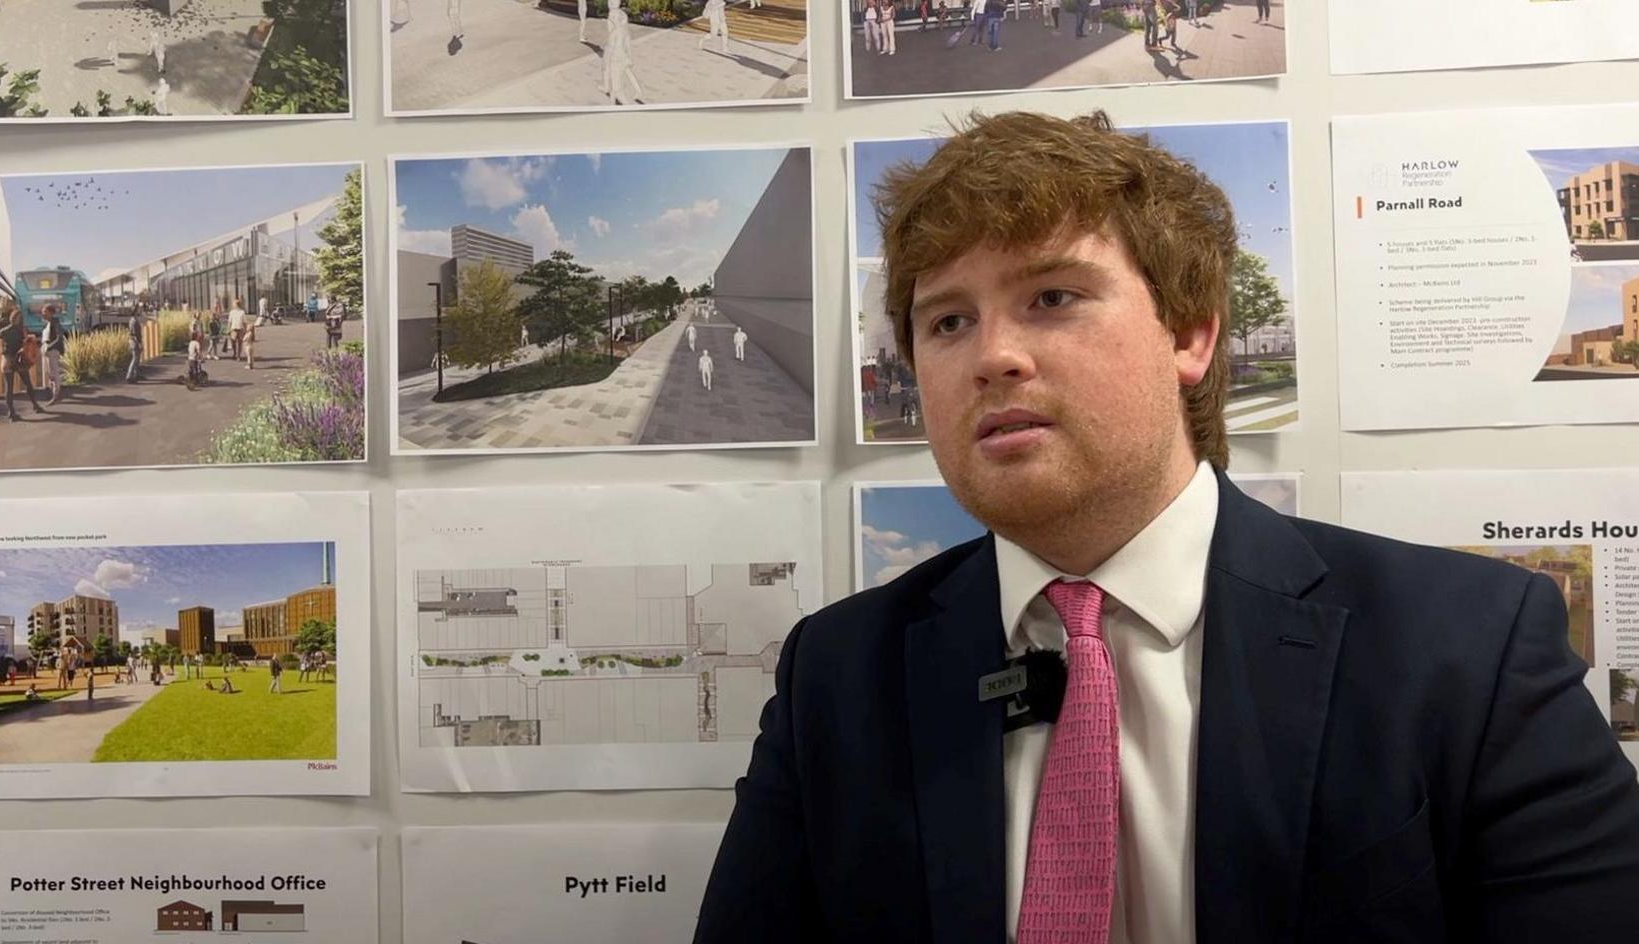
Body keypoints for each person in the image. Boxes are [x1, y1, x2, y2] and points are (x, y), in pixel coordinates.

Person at [693, 111, 1639, 943]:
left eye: (1052, 297)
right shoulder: (838, 672)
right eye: (946, 321)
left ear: (1189, 335)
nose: (993, 356)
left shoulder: (1466, 646)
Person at [0, 306, 48, 423]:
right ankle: (35, 405)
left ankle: (11, 413)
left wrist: (0, 319)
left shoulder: (4, 331)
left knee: (9, 387)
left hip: (7, 360)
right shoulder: (22, 331)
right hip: (20, 360)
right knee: (28, 384)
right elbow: (28, 342)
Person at [601, 0, 643, 105]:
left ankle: (623, 104)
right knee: (627, 72)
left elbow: (611, 43)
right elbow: (627, 44)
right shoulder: (625, 28)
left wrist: (608, 58)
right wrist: (629, 56)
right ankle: (638, 91)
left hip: (615, 56)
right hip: (623, 55)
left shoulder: (613, 16)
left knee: (616, 86)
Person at [39, 306, 66, 404]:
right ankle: (51, 393)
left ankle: (55, 395)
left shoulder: (55, 323)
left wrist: (49, 346)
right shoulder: (47, 324)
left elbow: (59, 337)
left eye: (45, 312)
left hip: (53, 350)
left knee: (54, 373)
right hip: (47, 350)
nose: (43, 314)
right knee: (49, 373)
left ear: (51, 313)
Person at [125, 305, 144, 382]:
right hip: (135, 341)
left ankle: (136, 375)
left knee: (137, 358)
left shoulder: (132, 319)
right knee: (135, 358)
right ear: (136, 311)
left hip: (133, 340)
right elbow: (136, 334)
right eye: (139, 309)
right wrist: (139, 343)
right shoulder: (135, 321)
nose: (140, 310)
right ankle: (129, 376)